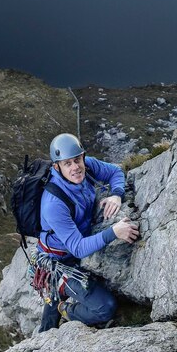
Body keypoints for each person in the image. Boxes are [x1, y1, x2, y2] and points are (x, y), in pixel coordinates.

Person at [37, 133, 139, 332]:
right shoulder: (53, 203)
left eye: (77, 160)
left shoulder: (87, 166)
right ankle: (65, 307)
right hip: (59, 262)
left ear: (82, 156)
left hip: (76, 243)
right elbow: (78, 248)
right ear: (57, 167)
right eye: (68, 164)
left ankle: (57, 303)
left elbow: (115, 172)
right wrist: (114, 232)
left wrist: (116, 195)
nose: (75, 167)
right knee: (105, 308)